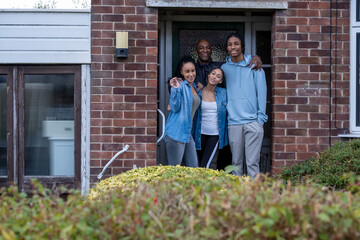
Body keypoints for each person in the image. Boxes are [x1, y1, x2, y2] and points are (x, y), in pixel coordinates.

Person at [221, 33, 268, 179]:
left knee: (253, 163)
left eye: (236, 43)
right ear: (227, 48)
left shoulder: (254, 65)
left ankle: (254, 198)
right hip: (234, 122)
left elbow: (262, 93)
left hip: (253, 122)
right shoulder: (224, 68)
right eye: (230, 44)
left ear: (242, 46)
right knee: (236, 163)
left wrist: (260, 120)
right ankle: (238, 197)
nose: (233, 47)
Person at [164, 56, 200, 167]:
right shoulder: (181, 86)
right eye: (187, 71)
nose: (191, 74)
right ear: (181, 72)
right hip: (176, 132)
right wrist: (175, 89)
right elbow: (174, 107)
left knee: (193, 169)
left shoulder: (193, 86)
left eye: (193, 71)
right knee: (174, 171)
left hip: (187, 132)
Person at [193, 67, 228, 169]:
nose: (214, 77)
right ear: (208, 75)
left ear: (220, 81)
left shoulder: (224, 93)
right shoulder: (198, 93)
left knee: (206, 165)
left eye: (218, 76)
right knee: (197, 163)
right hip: (199, 134)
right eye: (213, 74)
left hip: (215, 134)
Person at [194, 38, 262, 90]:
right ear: (196, 52)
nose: (205, 50)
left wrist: (254, 57)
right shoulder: (192, 69)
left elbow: (237, 61)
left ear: (211, 51)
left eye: (208, 48)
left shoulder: (221, 66)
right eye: (201, 48)